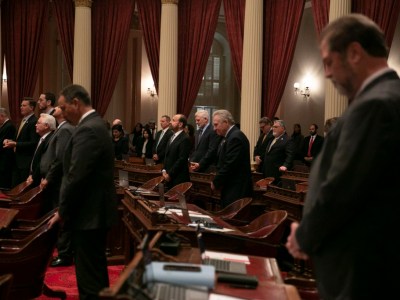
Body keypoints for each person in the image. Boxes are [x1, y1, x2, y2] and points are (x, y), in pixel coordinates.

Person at [285, 14, 400, 300]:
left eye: (328, 61)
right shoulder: (383, 98)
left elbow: (343, 187)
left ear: (354, 52)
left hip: (362, 270)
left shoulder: (376, 105)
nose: (325, 73)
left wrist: (304, 235)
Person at [48, 84, 117, 299]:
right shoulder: (94, 125)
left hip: (90, 215)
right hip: (92, 213)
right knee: (94, 276)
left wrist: (62, 211)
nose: (61, 112)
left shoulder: (88, 128)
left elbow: (75, 176)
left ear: (76, 103)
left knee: (90, 281)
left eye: (63, 107)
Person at [40, 106, 75, 267]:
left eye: (60, 107)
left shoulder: (65, 129)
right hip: (56, 181)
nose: (55, 108)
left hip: (59, 181)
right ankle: (62, 250)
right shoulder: (61, 128)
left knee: (63, 217)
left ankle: (64, 254)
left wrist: (48, 178)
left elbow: (61, 158)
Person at [211, 110, 253, 208]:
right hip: (230, 187)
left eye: (216, 125)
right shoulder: (229, 136)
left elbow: (229, 164)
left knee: (232, 220)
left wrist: (216, 181)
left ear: (225, 122)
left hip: (236, 189)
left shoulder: (235, 137)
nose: (214, 128)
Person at [3, 97, 40, 187]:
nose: (21, 107)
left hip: (25, 161)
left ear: (31, 108)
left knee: (21, 189)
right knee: (14, 187)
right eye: (21, 105)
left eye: (24, 105)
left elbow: (33, 143)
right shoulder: (23, 120)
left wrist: (15, 144)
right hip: (17, 160)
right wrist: (10, 141)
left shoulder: (34, 121)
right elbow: (19, 139)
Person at [162, 114, 191, 189]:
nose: (170, 122)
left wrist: (170, 174)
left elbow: (181, 159)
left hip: (178, 178)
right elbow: (167, 155)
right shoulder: (172, 136)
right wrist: (164, 170)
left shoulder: (185, 138)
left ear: (180, 124)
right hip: (168, 176)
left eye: (173, 120)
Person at [27, 113, 56, 187]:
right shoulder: (41, 137)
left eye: (38, 123)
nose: (35, 125)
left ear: (46, 126)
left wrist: (33, 177)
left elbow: (43, 161)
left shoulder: (51, 139)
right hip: (33, 177)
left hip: (41, 179)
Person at [262, 120, 294, 185]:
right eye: (273, 127)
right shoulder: (271, 139)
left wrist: (285, 166)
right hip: (267, 171)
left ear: (282, 128)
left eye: (276, 127)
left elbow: (290, 155)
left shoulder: (288, 140)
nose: (273, 128)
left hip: (277, 172)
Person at [0, 108, 16, 189]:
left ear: (1, 116)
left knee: (4, 184)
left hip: (5, 159)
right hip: (3, 159)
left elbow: (3, 143)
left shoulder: (9, 126)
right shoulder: (5, 125)